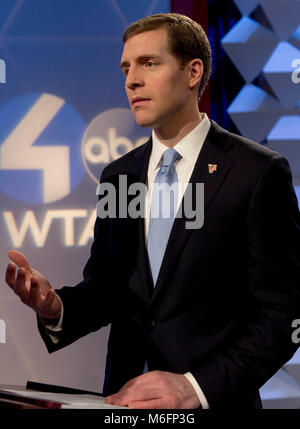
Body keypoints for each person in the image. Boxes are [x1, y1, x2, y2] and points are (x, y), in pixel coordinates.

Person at [5, 13, 300, 409]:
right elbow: (109, 288)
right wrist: (56, 308)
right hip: (124, 404)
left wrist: (195, 388)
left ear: (193, 71)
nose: (131, 80)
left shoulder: (258, 173)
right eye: (126, 67)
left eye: (149, 63)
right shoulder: (119, 176)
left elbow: (283, 317)